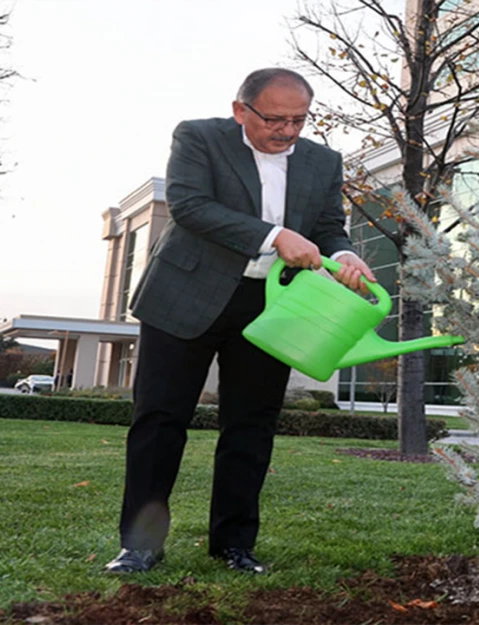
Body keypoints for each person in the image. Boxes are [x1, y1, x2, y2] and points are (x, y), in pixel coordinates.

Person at [103, 68, 374, 575]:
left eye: (299, 120)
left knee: (251, 427)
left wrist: (346, 256)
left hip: (272, 306)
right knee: (159, 422)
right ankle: (140, 545)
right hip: (184, 297)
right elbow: (189, 207)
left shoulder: (323, 161)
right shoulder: (198, 137)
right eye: (275, 119)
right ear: (240, 110)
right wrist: (275, 237)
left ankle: (233, 545)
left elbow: (328, 228)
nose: (288, 131)